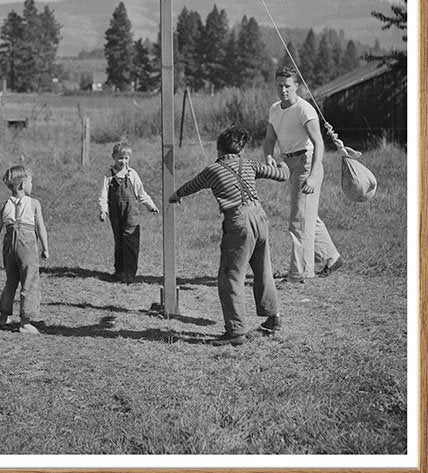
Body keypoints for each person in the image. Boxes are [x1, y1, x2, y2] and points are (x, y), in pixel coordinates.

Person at [169, 127, 287, 347]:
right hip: (260, 217)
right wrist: (282, 164)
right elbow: (282, 175)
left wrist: (176, 195)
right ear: (240, 150)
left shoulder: (213, 170)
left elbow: (192, 185)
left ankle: (235, 331)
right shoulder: (249, 164)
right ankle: (273, 318)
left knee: (231, 276)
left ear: (219, 148)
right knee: (263, 270)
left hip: (238, 222)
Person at [262, 65, 342, 282]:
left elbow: (319, 144)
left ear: (297, 86)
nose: (283, 90)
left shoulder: (305, 110)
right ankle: (332, 257)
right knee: (307, 215)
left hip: (307, 163)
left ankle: (299, 274)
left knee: (298, 220)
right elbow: (270, 139)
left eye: (288, 86)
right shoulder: (275, 109)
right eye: (280, 86)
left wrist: (314, 175)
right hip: (289, 164)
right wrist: (268, 156)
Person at [0, 165, 49, 334]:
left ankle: (4, 317)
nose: (32, 184)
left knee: (11, 281)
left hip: (9, 245)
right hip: (26, 245)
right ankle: (25, 322)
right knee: (29, 282)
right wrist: (45, 248)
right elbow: (40, 227)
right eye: (31, 181)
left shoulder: (4, 205)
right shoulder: (34, 203)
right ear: (23, 185)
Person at [98, 140, 158, 283]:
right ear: (113, 157)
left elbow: (141, 193)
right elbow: (103, 194)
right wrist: (103, 210)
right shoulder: (109, 175)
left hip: (131, 213)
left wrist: (151, 206)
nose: (123, 161)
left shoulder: (132, 174)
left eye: (126, 158)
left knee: (130, 241)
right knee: (119, 242)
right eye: (120, 158)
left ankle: (129, 274)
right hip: (115, 213)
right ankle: (119, 271)